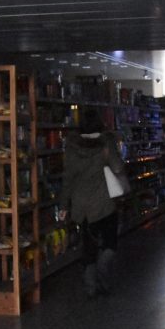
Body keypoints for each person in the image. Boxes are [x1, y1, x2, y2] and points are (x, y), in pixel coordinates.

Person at [58, 109, 126, 296]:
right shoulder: (106, 142)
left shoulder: (72, 146)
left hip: (82, 206)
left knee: (88, 245)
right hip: (104, 203)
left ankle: (90, 286)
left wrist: (64, 205)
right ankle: (104, 274)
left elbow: (68, 178)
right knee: (110, 243)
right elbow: (118, 166)